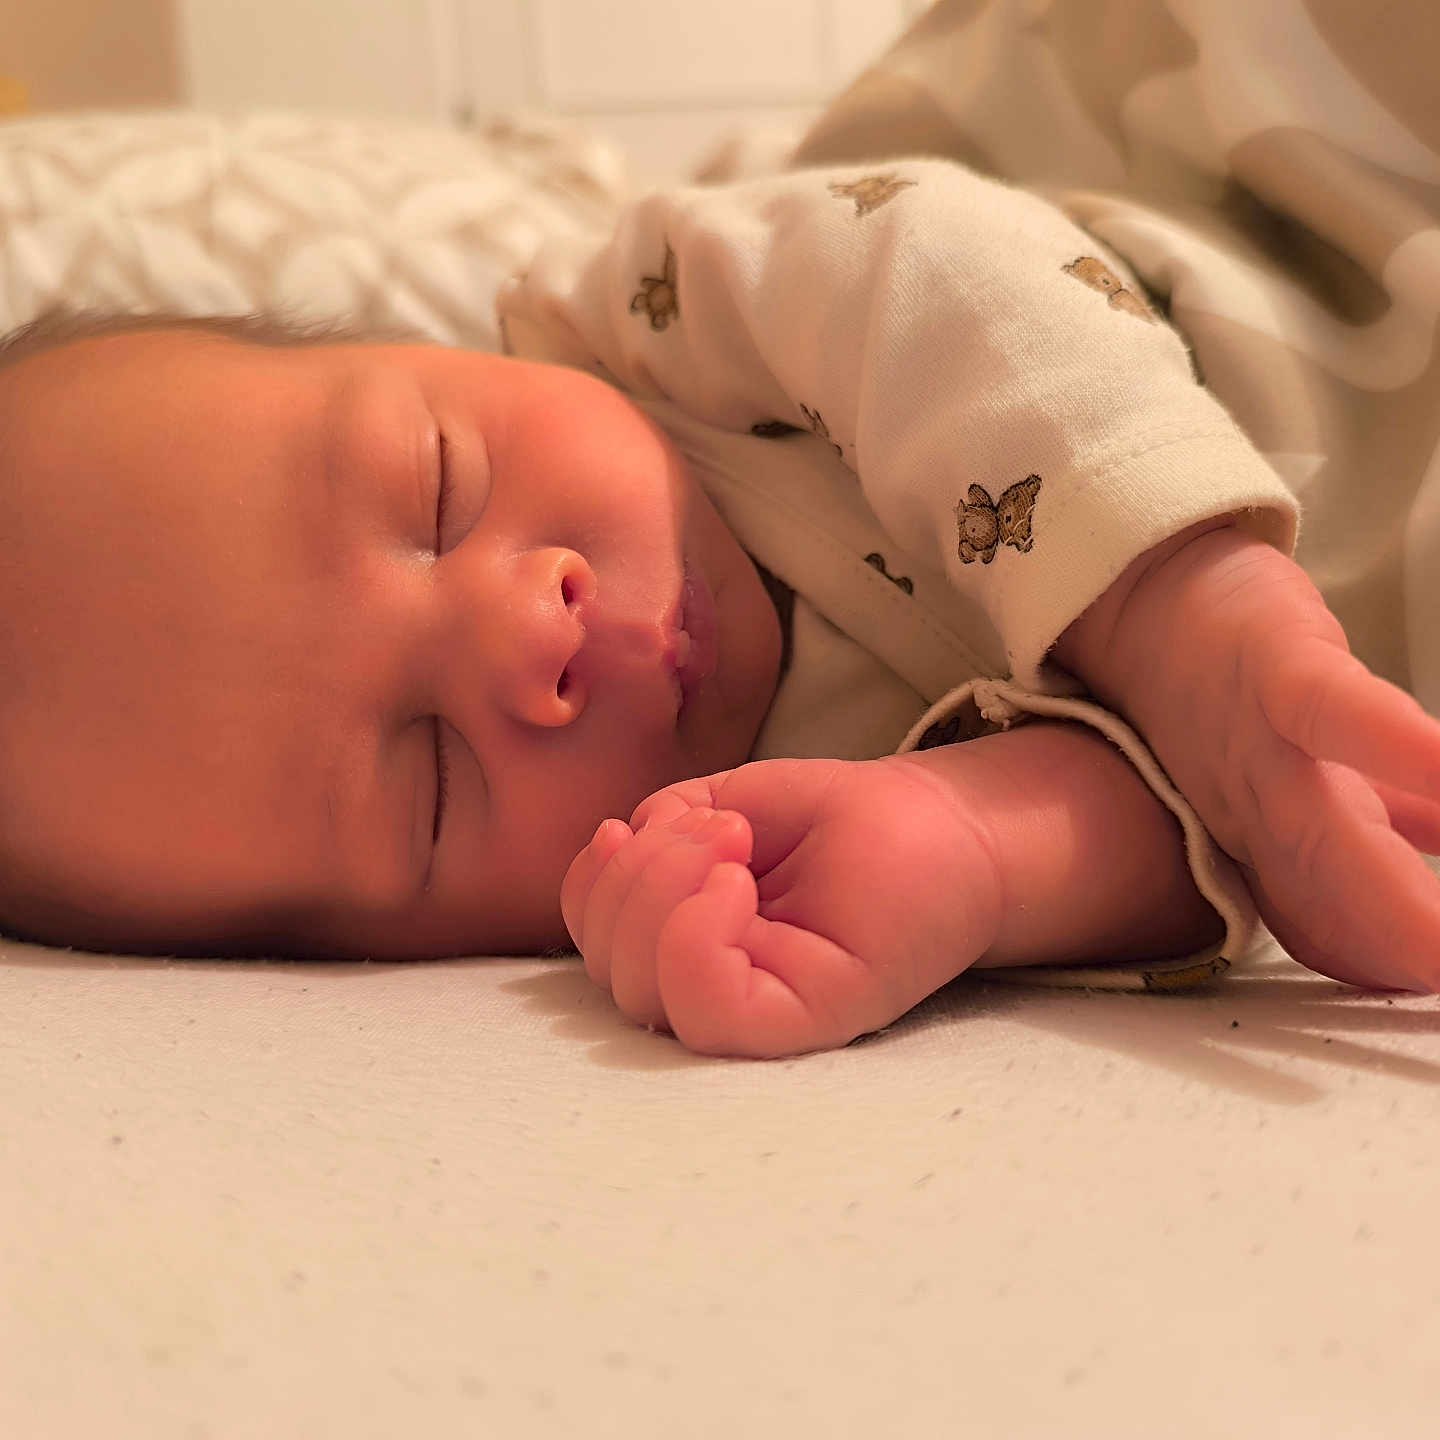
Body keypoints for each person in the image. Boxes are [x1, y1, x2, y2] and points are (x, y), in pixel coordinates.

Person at [1, 159, 1437, 1059]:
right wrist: (977, 844)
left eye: (438, 486)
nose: (532, 635)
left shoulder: (675, 319)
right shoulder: (731, 867)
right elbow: (1225, 835)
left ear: (434, 348)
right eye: (427, 787)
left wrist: (1184, 601)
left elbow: (933, 265)